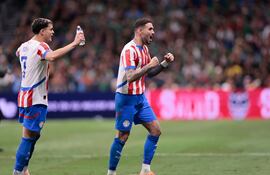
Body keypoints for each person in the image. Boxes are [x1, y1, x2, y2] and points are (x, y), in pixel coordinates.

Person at [13, 18, 85, 175]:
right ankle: (18, 172)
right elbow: (51, 56)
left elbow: (18, 53)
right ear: (42, 31)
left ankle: (24, 169)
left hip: (24, 95)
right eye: (50, 29)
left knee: (32, 135)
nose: (53, 32)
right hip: (35, 98)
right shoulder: (41, 46)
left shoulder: (24, 46)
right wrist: (74, 43)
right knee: (29, 137)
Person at [107, 17, 174, 175]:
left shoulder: (144, 49)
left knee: (155, 130)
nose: (153, 32)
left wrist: (164, 64)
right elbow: (130, 76)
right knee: (123, 136)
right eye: (150, 29)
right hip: (126, 99)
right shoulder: (129, 50)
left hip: (140, 98)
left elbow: (148, 74)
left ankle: (145, 170)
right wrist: (150, 64)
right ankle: (111, 173)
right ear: (139, 30)